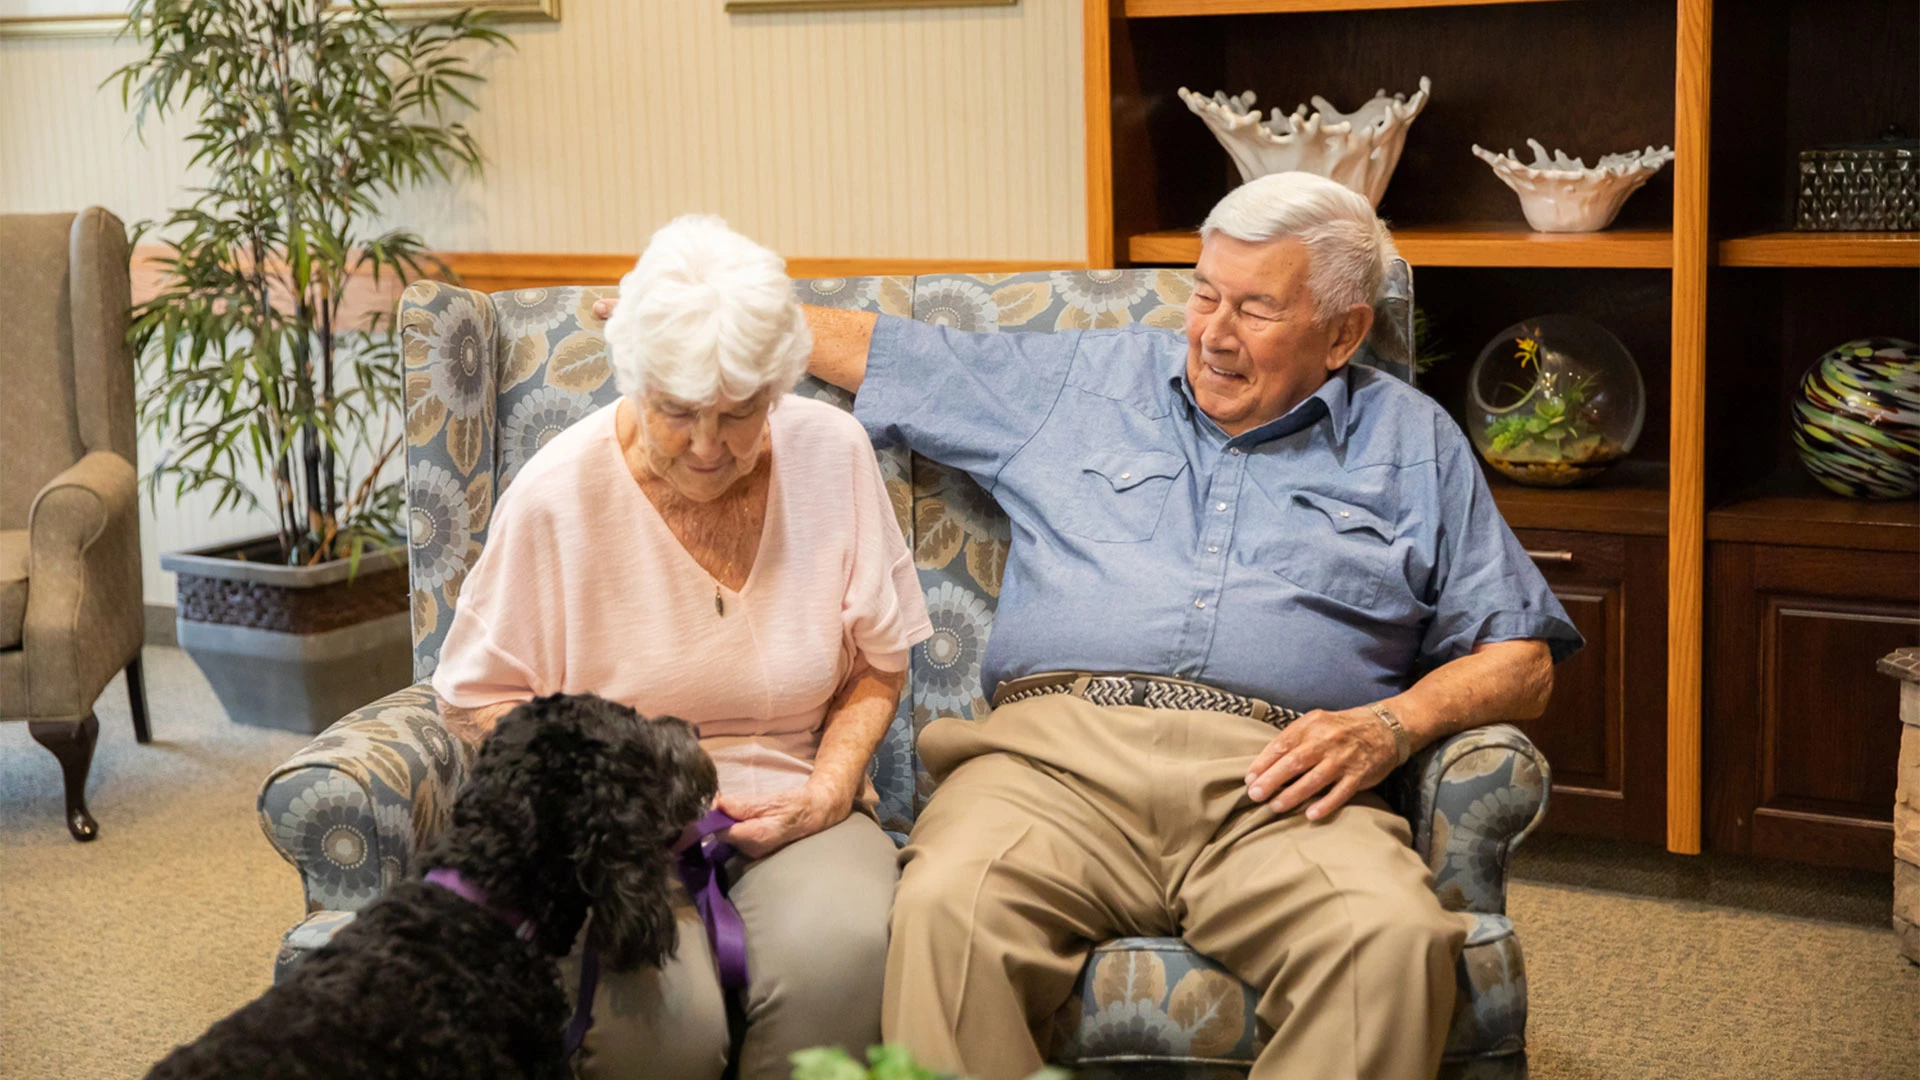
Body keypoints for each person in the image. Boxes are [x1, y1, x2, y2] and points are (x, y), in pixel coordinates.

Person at [593, 171, 1583, 1080]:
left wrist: (1390, 728)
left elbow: (1523, 659)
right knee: (945, 914)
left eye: (1257, 308)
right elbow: (891, 355)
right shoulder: (1082, 383)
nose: (1214, 332)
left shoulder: (1412, 444)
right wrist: (697, 317)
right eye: (1204, 293)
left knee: (1393, 940)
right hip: (1049, 765)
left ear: (1343, 331)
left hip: (1282, 784)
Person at [434, 215, 932, 1080]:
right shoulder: (557, 494)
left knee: (843, 955)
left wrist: (830, 788)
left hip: (794, 796)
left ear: (779, 389)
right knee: (662, 1026)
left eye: (740, 415)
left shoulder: (833, 455)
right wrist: (609, 803)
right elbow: (477, 703)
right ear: (633, 384)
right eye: (677, 414)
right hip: (617, 829)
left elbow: (876, 665)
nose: (708, 448)